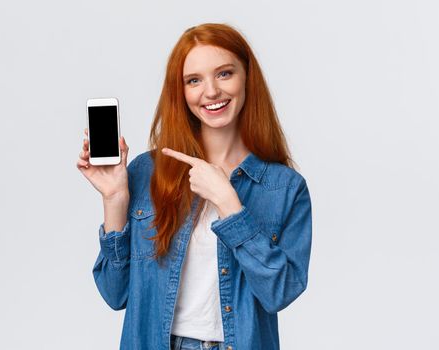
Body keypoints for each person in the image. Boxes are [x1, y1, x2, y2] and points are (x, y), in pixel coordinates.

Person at [77, 23, 312, 350]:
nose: (211, 91)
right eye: (194, 80)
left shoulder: (284, 187)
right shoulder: (147, 172)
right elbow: (115, 293)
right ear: (181, 91)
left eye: (225, 74)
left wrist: (229, 205)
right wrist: (115, 198)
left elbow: (281, 292)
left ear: (247, 78)